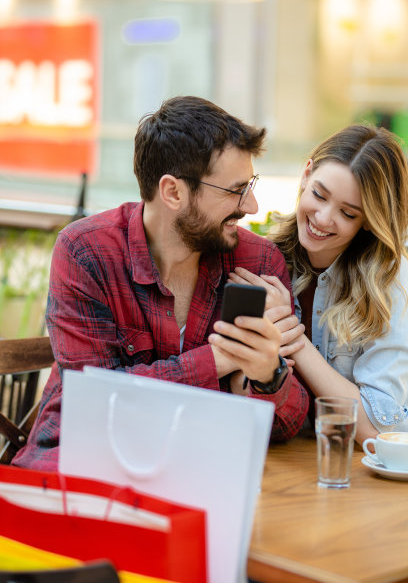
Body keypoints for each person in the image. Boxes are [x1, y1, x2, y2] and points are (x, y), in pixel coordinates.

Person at [13, 95, 308, 470]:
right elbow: (97, 403)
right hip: (84, 469)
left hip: (200, 472)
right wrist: (220, 359)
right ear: (173, 192)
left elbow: (288, 425)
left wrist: (268, 374)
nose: (251, 206)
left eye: (250, 184)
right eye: (236, 190)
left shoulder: (259, 262)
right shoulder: (86, 252)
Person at [228, 124, 408, 445]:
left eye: (348, 213)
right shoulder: (267, 259)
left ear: (369, 220)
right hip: (282, 459)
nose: (323, 219)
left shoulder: (390, 281)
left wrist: (291, 334)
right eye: (319, 195)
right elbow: (238, 393)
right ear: (306, 175)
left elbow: (378, 429)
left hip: (355, 475)